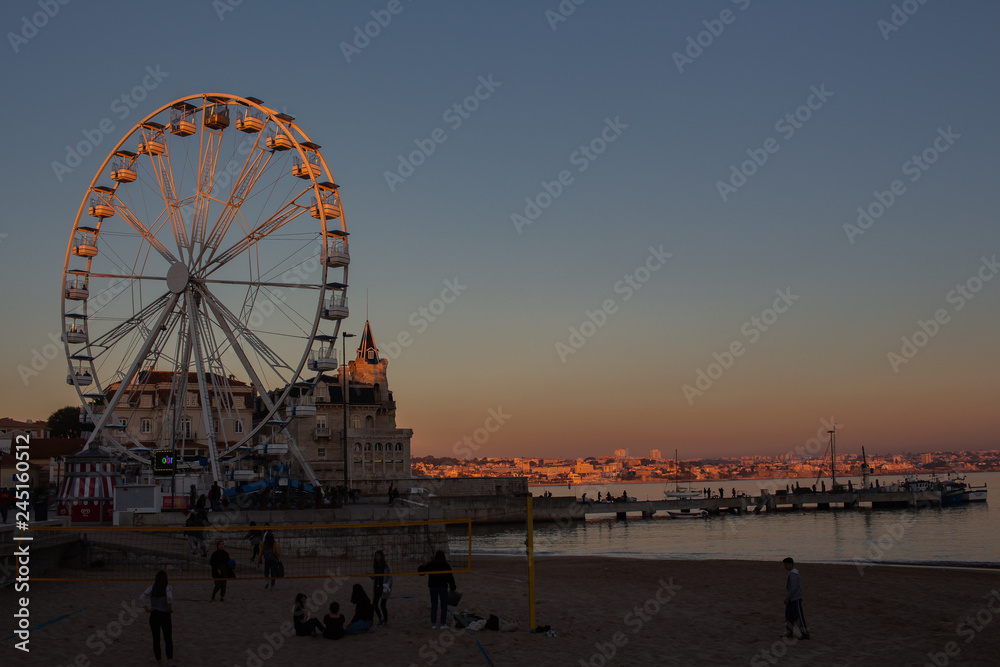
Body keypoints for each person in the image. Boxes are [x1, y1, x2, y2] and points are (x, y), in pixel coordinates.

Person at [140, 570, 175, 666]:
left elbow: (142, 597)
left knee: (156, 639)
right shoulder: (167, 588)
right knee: (168, 638)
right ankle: (170, 661)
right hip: (165, 615)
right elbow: (169, 598)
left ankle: (159, 661)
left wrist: (146, 608)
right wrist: (170, 608)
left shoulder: (152, 588)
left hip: (154, 615)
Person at [418, 550, 456, 629]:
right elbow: (450, 578)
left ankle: (434, 624)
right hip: (442, 587)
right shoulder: (446, 565)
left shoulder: (431, 564)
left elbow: (421, 573)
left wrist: (422, 566)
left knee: (434, 605)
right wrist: (453, 588)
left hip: (433, 587)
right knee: (444, 606)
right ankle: (443, 624)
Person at [782, 557, 810, 640]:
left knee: (798, 617)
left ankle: (805, 633)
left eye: (786, 565)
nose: (785, 567)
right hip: (792, 598)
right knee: (789, 615)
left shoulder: (793, 574)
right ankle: (789, 632)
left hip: (795, 598)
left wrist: (787, 597)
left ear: (791, 564)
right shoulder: (793, 573)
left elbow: (793, 588)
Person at [371, 550, 393, 626]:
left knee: (383, 605)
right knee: (374, 604)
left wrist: (387, 585)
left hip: (384, 588)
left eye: (378, 556)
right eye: (376, 556)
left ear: (381, 556)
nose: (376, 557)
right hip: (377, 587)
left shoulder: (386, 566)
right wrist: (369, 575)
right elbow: (374, 577)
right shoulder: (375, 565)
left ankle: (386, 622)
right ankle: (380, 619)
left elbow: (390, 577)